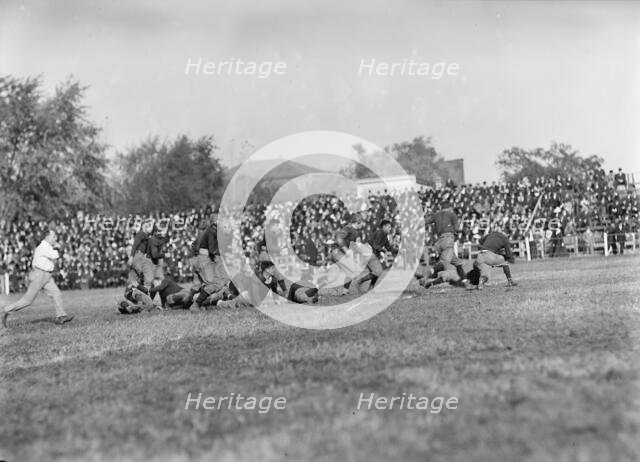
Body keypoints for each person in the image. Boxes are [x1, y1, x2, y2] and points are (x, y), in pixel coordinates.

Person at [2, 228, 74, 327]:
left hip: (46, 275)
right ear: (47, 237)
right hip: (40, 275)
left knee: (56, 294)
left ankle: (61, 316)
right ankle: (6, 309)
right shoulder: (44, 246)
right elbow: (55, 255)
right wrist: (59, 247)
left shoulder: (47, 246)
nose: (55, 238)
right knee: (27, 301)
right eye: (53, 236)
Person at [424, 201, 470, 287]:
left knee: (458, 263)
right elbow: (456, 229)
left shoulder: (436, 215)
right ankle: (428, 274)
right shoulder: (452, 214)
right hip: (448, 240)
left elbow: (424, 221)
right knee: (444, 264)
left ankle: (465, 282)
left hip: (439, 242)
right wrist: (463, 231)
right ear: (449, 207)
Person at [357, 219, 396, 291]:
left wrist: (399, 250)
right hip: (368, 253)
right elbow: (375, 246)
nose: (390, 229)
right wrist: (383, 250)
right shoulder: (380, 233)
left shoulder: (384, 235)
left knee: (376, 271)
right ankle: (361, 281)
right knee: (378, 271)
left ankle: (370, 287)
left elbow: (389, 248)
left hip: (369, 253)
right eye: (389, 227)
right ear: (384, 226)